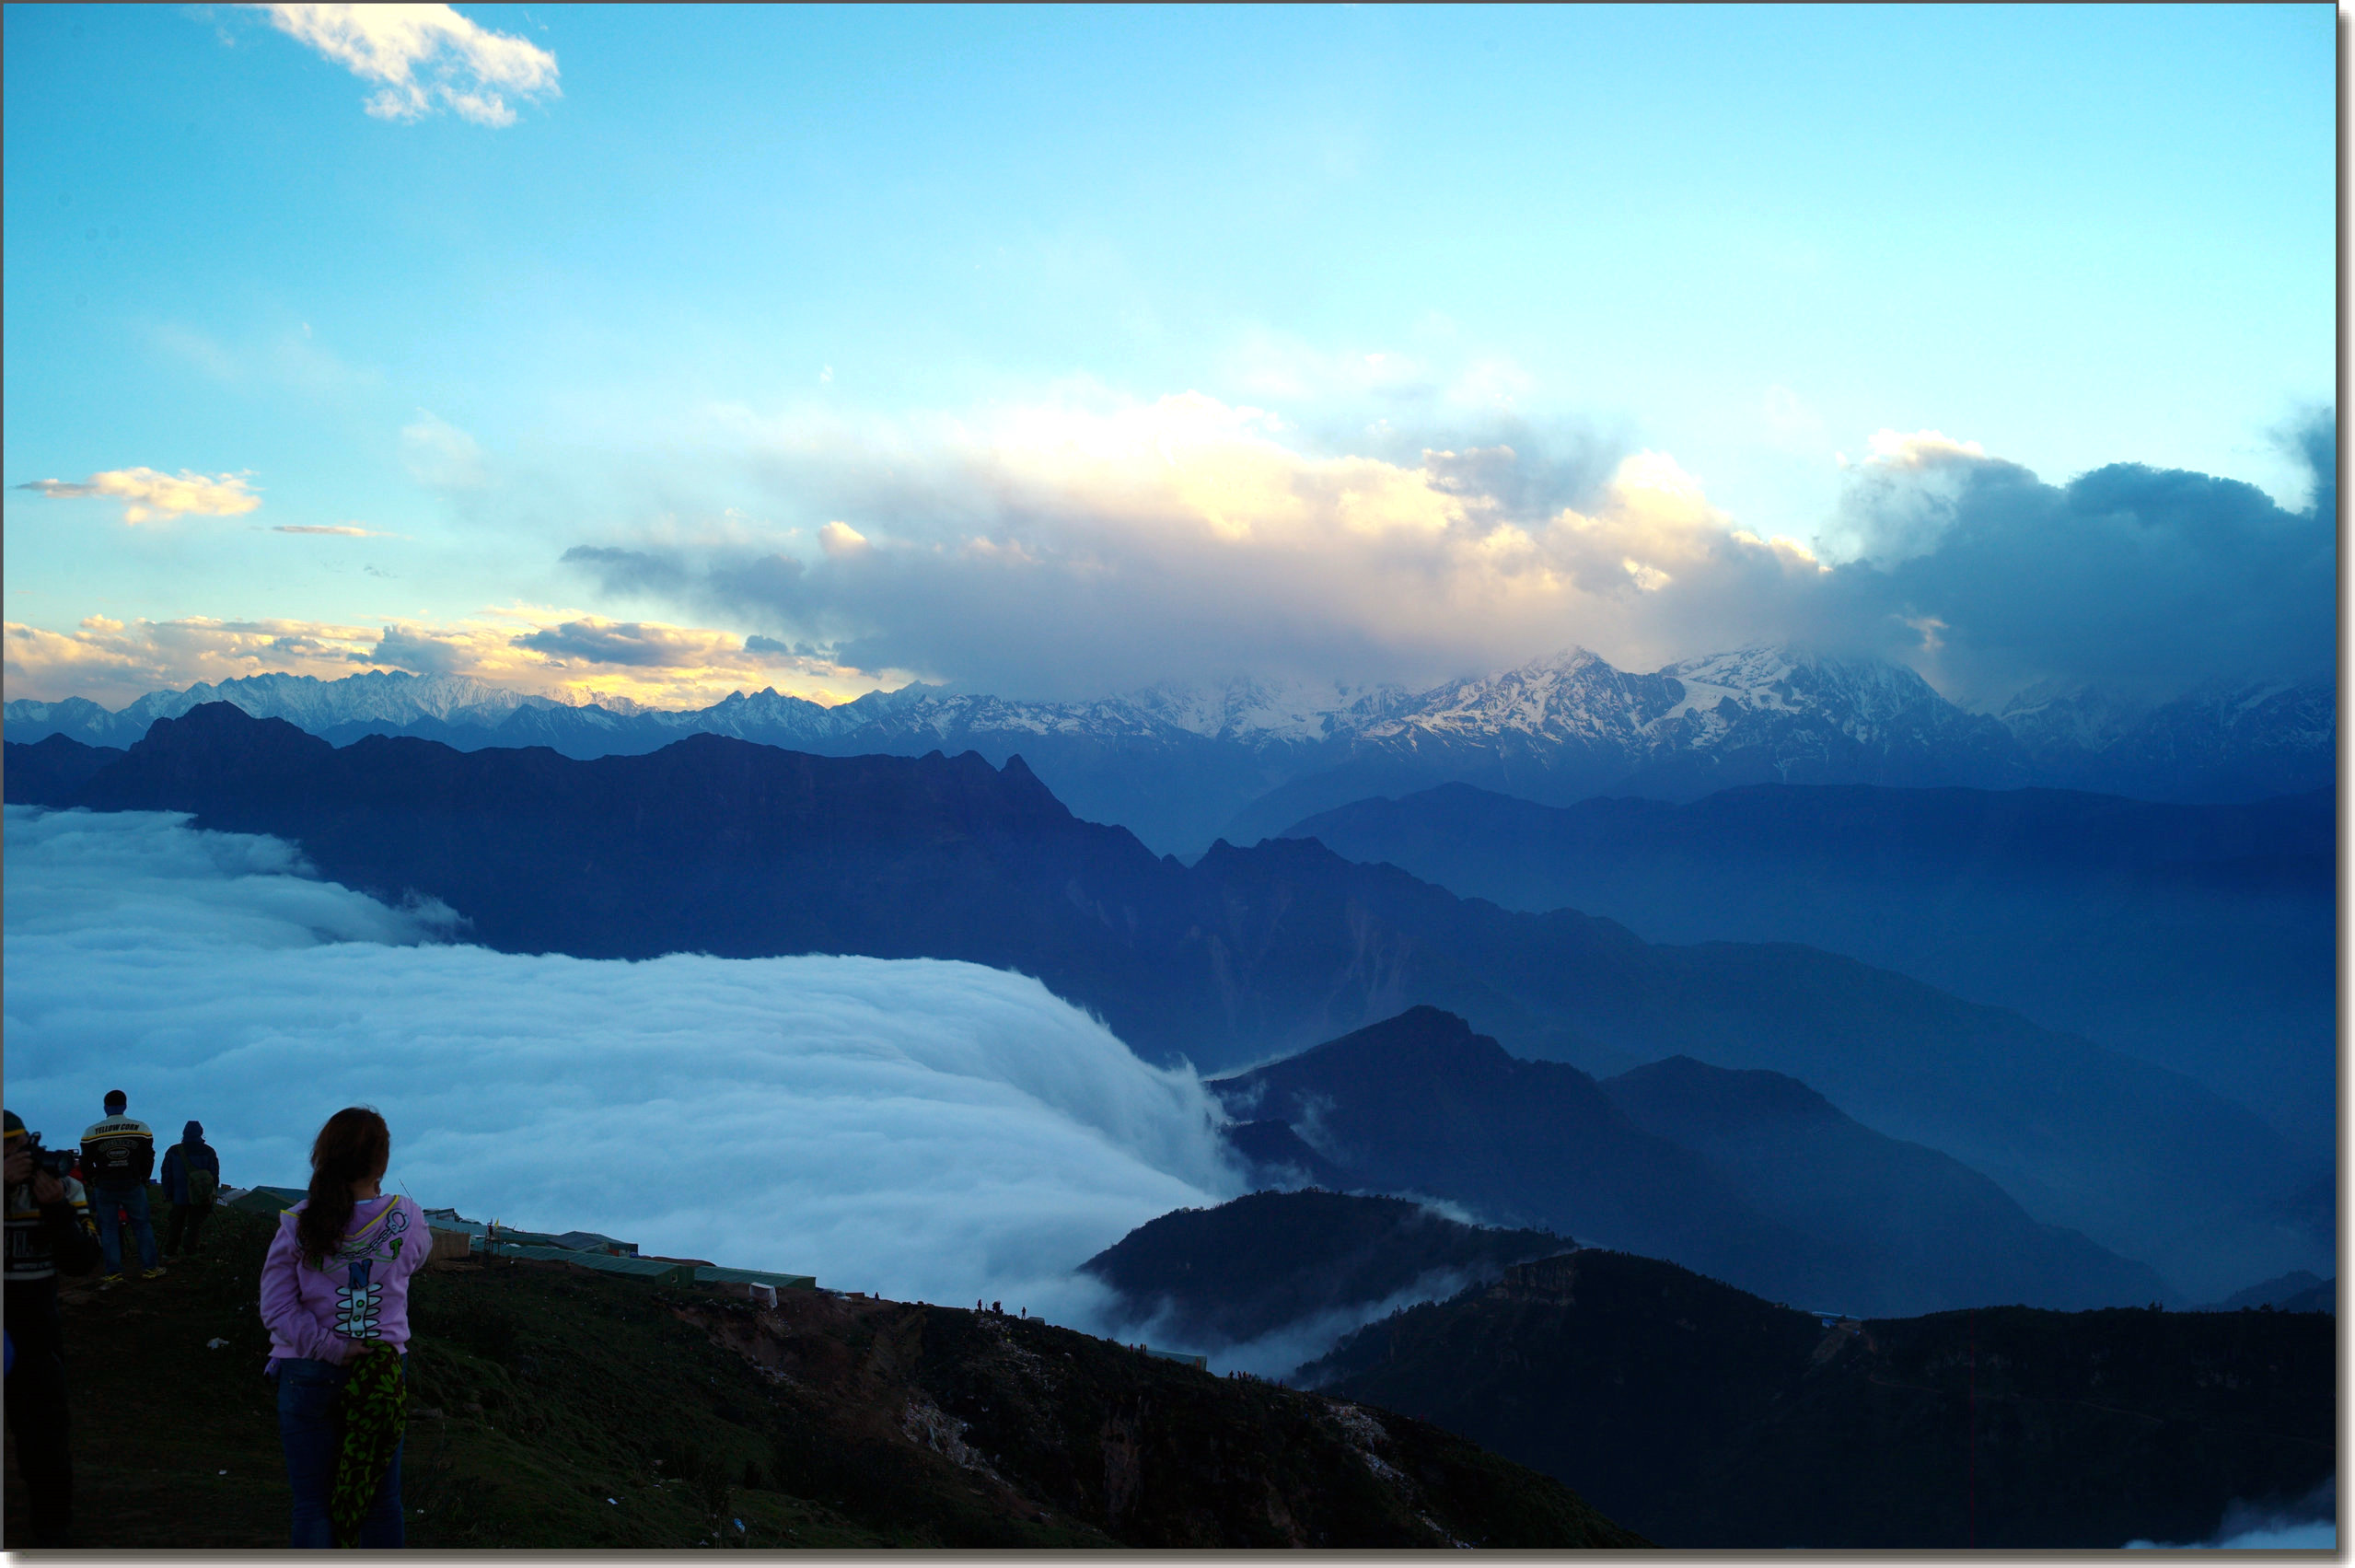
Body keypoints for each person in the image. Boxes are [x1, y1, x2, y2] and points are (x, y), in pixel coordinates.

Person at [259, 1107, 427, 1549]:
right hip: (382, 1371)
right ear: (382, 1163)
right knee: (382, 1501)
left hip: (306, 1371)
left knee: (313, 1504)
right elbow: (416, 1259)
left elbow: (276, 1308)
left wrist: (331, 1347)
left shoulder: (298, 1223)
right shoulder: (406, 1218)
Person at [6, 1110, 102, 1547]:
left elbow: (82, 1262)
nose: (24, 1160)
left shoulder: (65, 1188)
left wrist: (58, 1211)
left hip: (35, 1332)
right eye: (11, 1151)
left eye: (24, 1149)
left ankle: (52, 1533)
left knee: (45, 1436)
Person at [79, 1089, 160, 1286]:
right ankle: (150, 1269)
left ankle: (114, 1272)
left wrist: (92, 1179)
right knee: (142, 1226)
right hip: (132, 1183)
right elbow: (149, 1156)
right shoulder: (141, 1128)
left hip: (105, 1185)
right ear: (125, 1106)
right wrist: (144, 1177)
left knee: (108, 1228)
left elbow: (85, 1161)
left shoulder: (91, 1132)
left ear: (105, 1107)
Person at [159, 1121, 223, 1260]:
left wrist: (167, 1193)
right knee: (195, 1225)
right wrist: (212, 1195)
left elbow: (166, 1173)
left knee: (176, 1225)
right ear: (200, 1133)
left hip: (178, 1196)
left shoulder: (174, 1151)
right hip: (201, 1196)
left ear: (184, 1133)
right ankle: (190, 1252)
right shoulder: (209, 1152)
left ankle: (169, 1253)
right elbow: (214, 1175)